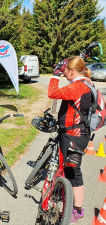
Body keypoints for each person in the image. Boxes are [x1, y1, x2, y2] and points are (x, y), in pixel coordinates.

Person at [48, 56, 92, 224]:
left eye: (65, 71)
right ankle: (63, 190)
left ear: (72, 71)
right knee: (68, 168)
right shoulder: (86, 83)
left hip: (74, 135)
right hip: (73, 133)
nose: (63, 74)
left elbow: (52, 93)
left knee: (74, 173)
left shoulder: (78, 87)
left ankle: (78, 210)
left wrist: (54, 75)